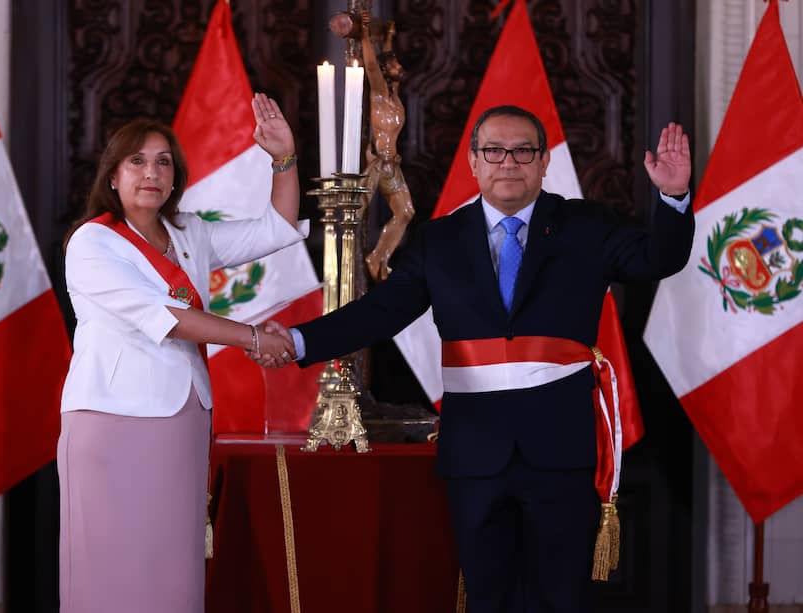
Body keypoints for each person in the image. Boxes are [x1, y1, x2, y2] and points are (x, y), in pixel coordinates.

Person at [263, 106, 695, 611]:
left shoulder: (585, 226)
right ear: (473, 161)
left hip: (560, 449)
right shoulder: (439, 240)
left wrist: (673, 197)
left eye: (522, 151)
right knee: (487, 598)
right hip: (476, 455)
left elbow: (658, 259)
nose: (507, 162)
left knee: (561, 597)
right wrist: (296, 341)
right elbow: (379, 314)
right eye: (493, 150)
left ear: (543, 161)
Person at [57, 93, 303, 612]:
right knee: (110, 563)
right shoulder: (92, 243)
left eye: (163, 161)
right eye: (137, 161)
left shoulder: (189, 232)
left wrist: (283, 158)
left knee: (174, 559)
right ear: (113, 176)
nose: (152, 172)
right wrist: (254, 338)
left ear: (175, 176)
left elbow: (276, 230)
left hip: (183, 415)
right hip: (111, 417)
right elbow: (166, 319)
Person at [360, 11, 415, 282]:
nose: (398, 65)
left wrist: (389, 38)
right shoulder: (380, 94)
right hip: (377, 165)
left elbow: (385, 59)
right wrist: (364, 35)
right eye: (393, 64)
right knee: (355, 215)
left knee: (406, 212)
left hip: (392, 165)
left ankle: (379, 256)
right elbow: (373, 65)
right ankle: (360, 261)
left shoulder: (395, 97)